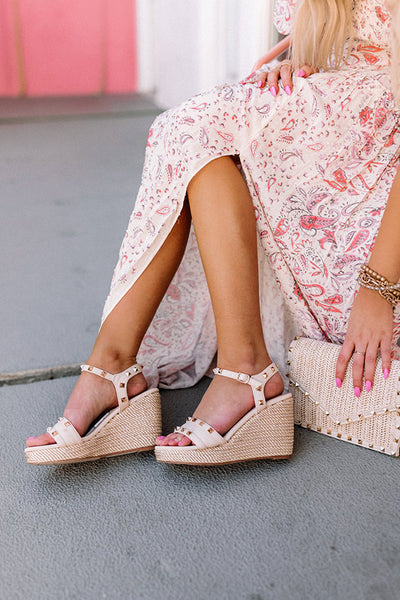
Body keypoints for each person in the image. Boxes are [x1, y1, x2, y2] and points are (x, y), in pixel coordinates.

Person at [25, 0, 400, 466]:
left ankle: (131, 369)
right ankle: (189, 368)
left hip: (371, 212)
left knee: (189, 128)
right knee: (198, 144)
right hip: (338, 130)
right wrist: (305, 49)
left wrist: (378, 286)